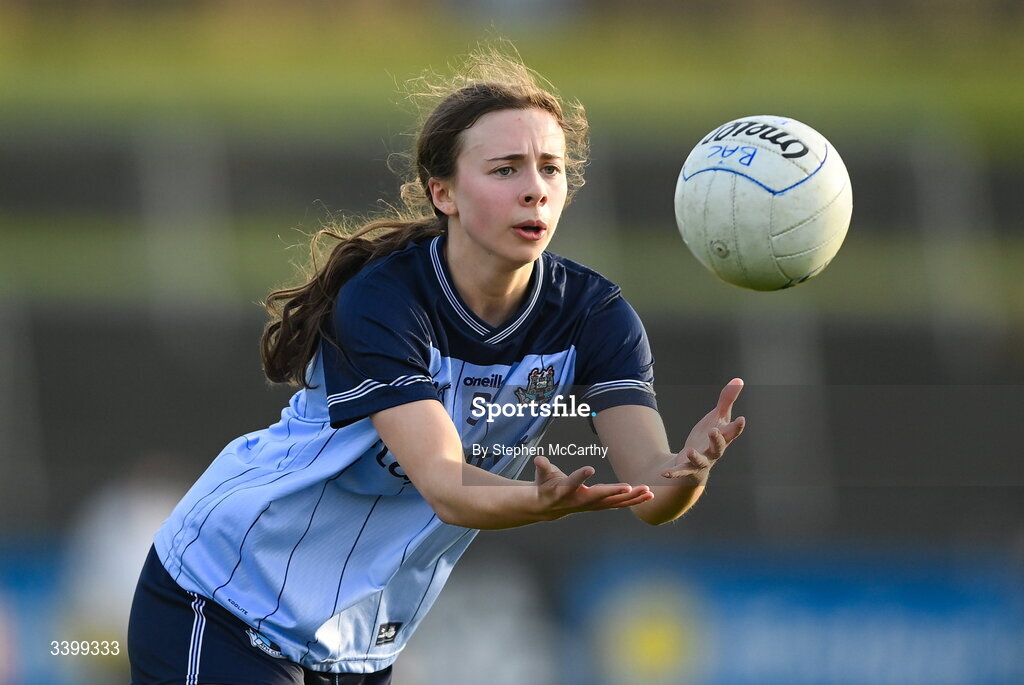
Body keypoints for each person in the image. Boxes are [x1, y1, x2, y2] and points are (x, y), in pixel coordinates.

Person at [127, 46, 746, 685]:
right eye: (505, 169)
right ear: (442, 192)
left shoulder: (596, 315)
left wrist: (687, 470)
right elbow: (447, 486)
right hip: (228, 594)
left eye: (550, 168)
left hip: (358, 644)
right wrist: (544, 501)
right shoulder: (383, 300)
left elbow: (650, 493)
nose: (535, 187)